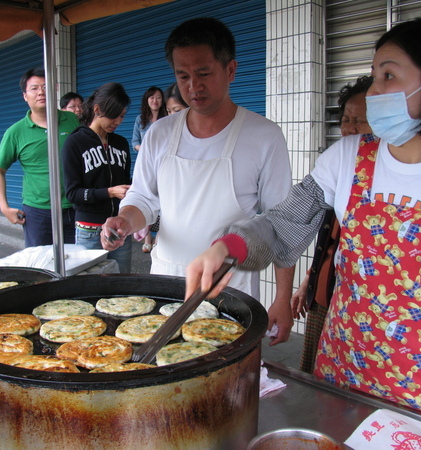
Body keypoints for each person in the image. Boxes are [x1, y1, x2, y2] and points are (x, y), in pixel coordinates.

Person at [185, 16, 421, 425]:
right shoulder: (348, 157)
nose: (374, 92)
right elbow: (283, 224)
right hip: (340, 368)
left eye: (389, 76)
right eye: (373, 75)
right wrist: (230, 247)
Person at [102, 17, 296, 345]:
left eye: (204, 73)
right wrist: (124, 219)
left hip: (230, 286)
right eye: (183, 75)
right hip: (166, 283)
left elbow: (283, 224)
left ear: (230, 70)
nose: (193, 86)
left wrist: (282, 298)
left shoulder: (264, 136)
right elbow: (144, 198)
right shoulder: (160, 134)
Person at [293, 75, 374, 373]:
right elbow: (303, 227)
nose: (350, 129)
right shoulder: (338, 165)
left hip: (362, 315)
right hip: (324, 295)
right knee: (315, 373)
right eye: (346, 119)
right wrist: (306, 285)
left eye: (360, 121)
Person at [0, 68, 80, 247]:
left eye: (46, 86)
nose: (41, 92)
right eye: (34, 88)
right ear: (25, 96)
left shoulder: (71, 120)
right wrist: (4, 207)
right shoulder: (15, 132)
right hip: (38, 213)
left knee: (78, 264)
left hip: (75, 208)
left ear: (55, 89)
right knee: (41, 267)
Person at [62, 82, 132, 273]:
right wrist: (109, 192)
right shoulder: (75, 142)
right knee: (91, 287)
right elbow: (72, 193)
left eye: (122, 116)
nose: (117, 121)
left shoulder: (121, 143)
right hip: (89, 230)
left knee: (123, 286)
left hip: (120, 228)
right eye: (113, 115)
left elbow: (127, 182)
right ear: (97, 109)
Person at [131, 86, 168, 253]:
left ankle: (160, 236)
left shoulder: (167, 118)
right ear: (147, 100)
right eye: (152, 97)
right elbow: (134, 143)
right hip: (146, 165)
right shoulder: (141, 119)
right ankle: (147, 238)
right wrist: (146, 149)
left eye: (158, 97)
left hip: (163, 165)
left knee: (164, 201)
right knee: (147, 197)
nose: (155, 100)